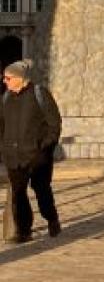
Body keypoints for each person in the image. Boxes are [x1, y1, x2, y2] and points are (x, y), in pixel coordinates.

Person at [0, 60, 62, 244]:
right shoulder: (6, 98)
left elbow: (54, 124)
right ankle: (24, 230)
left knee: (42, 190)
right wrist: (3, 146)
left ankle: (51, 218)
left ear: (20, 78)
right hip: (13, 156)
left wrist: (44, 146)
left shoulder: (39, 94)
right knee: (18, 194)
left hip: (37, 156)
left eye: (8, 78)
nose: (5, 81)